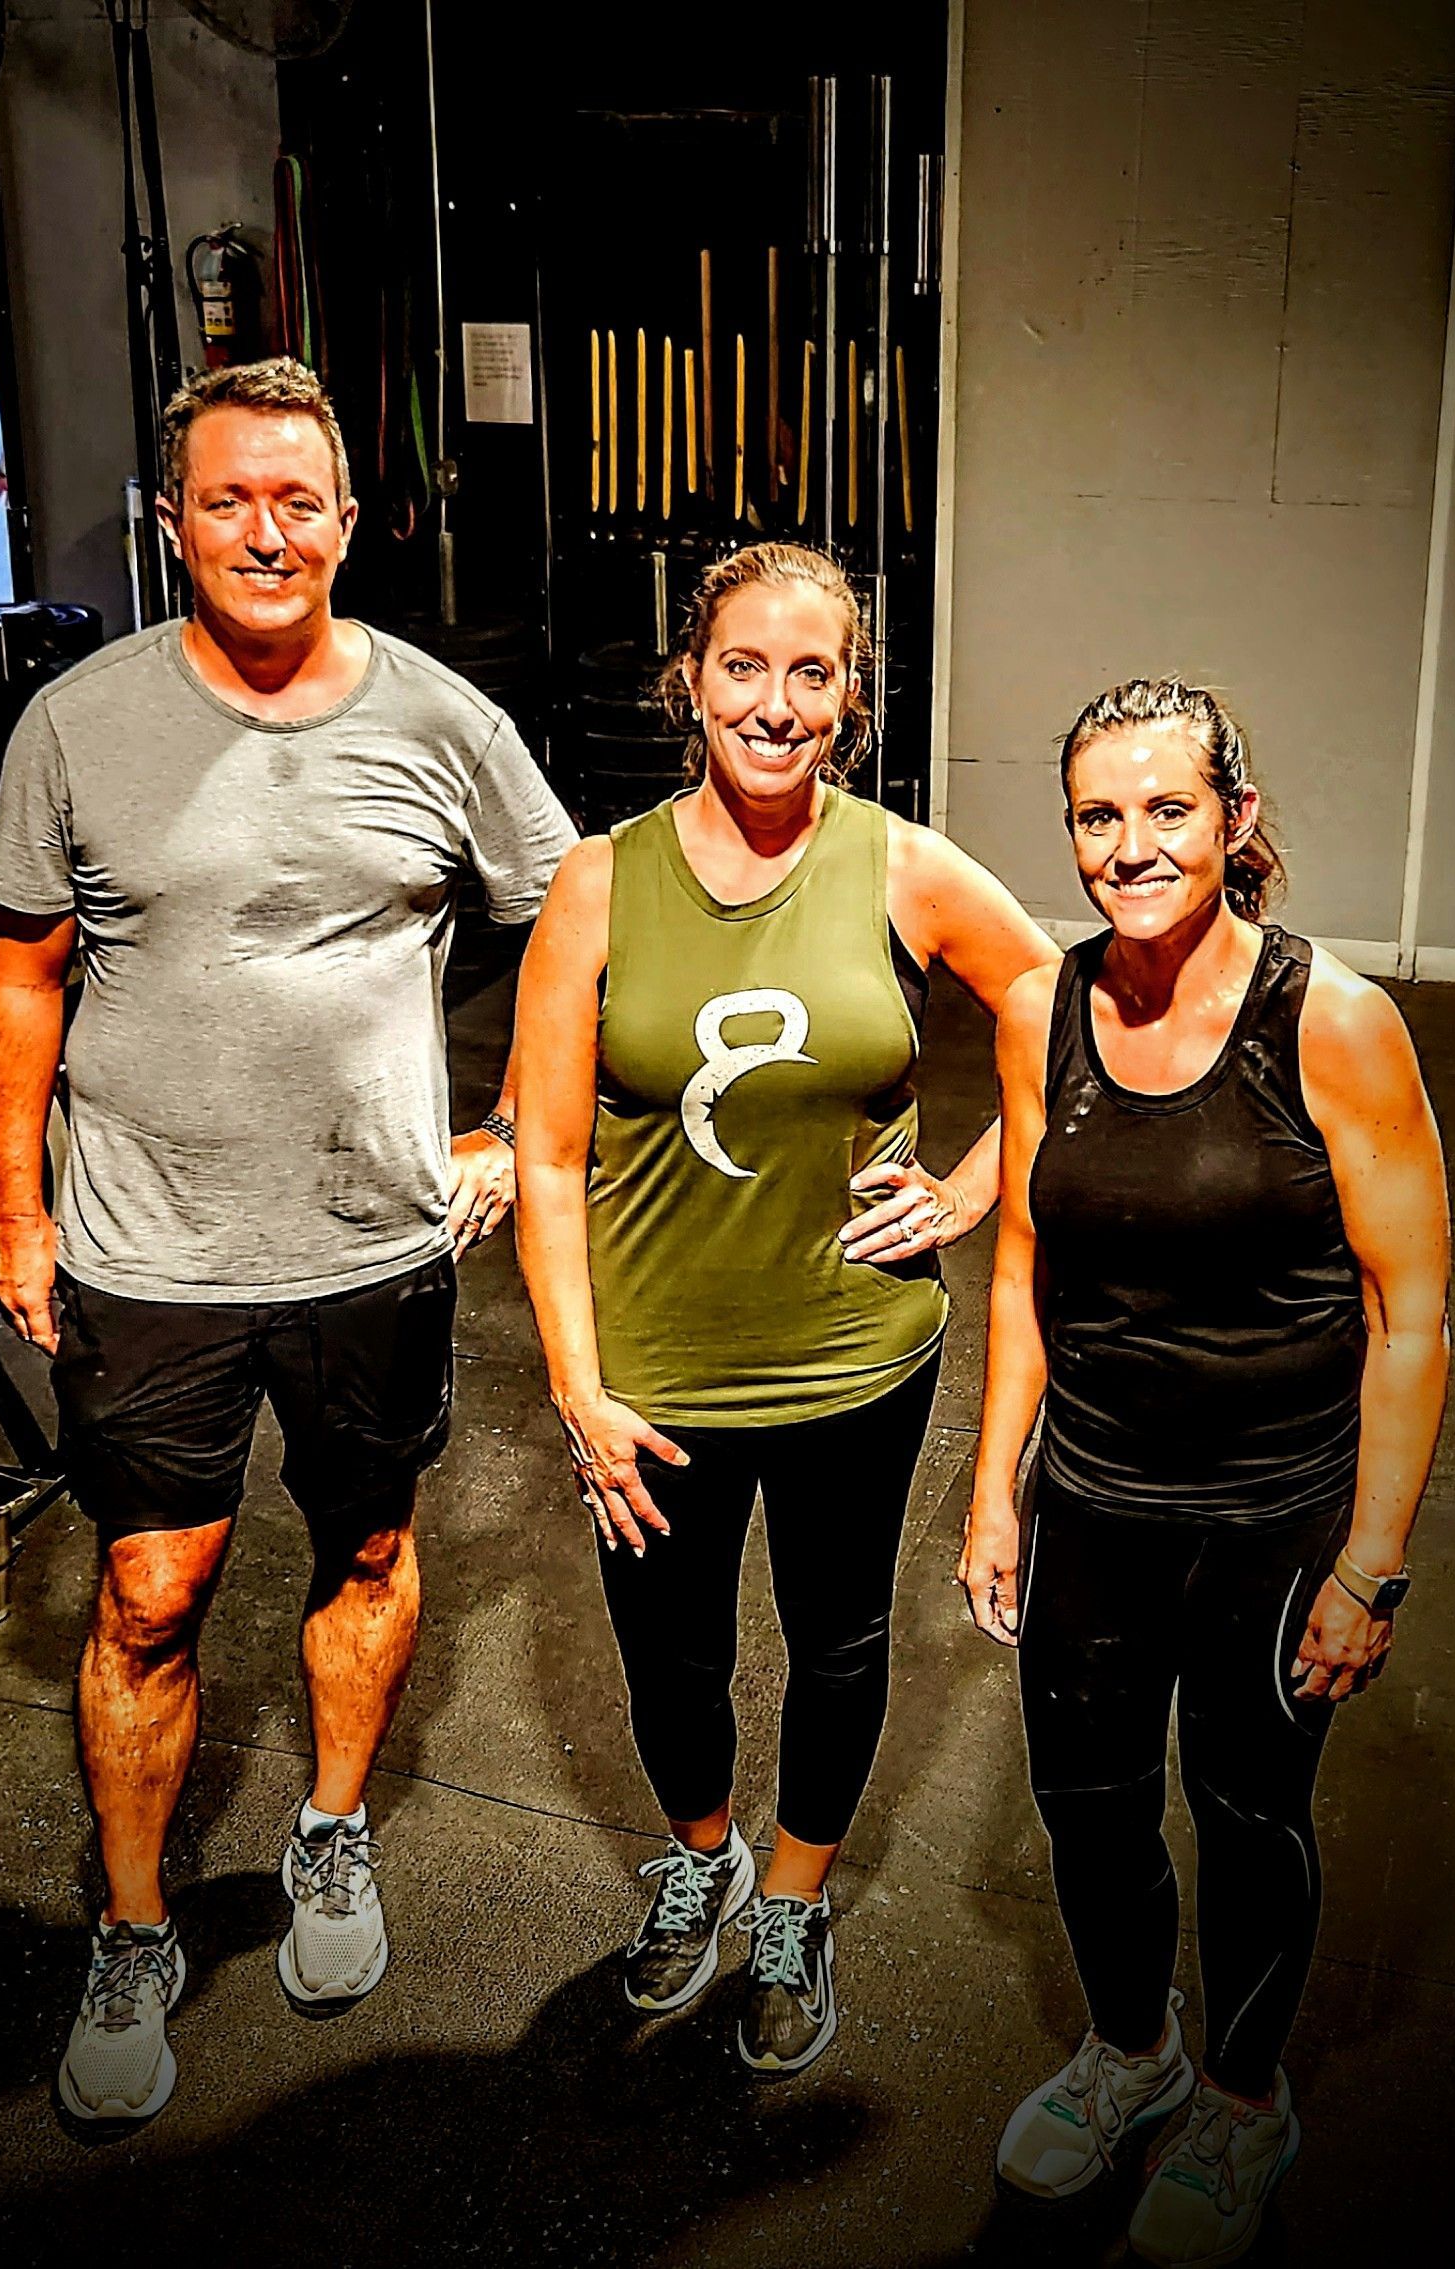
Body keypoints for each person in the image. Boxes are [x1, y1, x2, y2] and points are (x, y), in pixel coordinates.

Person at [0, 357, 575, 2128]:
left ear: (348, 521)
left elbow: (576, 928)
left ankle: (329, 1831)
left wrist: (503, 1133)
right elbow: (21, 974)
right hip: (145, 1246)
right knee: (149, 1592)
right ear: (173, 520)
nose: (264, 530)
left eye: (296, 499)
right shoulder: (77, 723)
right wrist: (14, 1210)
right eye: (227, 498)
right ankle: (133, 1928)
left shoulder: (444, 722)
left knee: (369, 1542)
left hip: (370, 1241)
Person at [514, 542, 1056, 2076]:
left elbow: (1063, 1013)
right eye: (742, 665)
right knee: (668, 1661)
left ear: (850, 696)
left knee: (837, 1640)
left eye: (810, 671)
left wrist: (967, 1187)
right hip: (652, 1377)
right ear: (688, 681)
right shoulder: (599, 880)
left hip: (852, 1357)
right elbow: (544, 1153)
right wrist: (574, 1383)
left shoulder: (903, 867)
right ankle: (703, 1856)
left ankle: (796, 1899)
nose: (773, 701)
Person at [961, 679, 1449, 2261]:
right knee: (1087, 1807)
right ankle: (1131, 2055)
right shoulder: (1039, 1006)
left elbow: (1410, 1309)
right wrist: (992, 1487)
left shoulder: (1333, 1020)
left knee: (1246, 1813)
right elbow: (1023, 1261)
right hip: (1093, 1500)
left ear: (1232, 819)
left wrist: (1369, 1562)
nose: (1129, 845)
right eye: (1096, 815)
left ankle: (1242, 2101)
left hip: (1273, 1517)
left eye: (1165, 808)